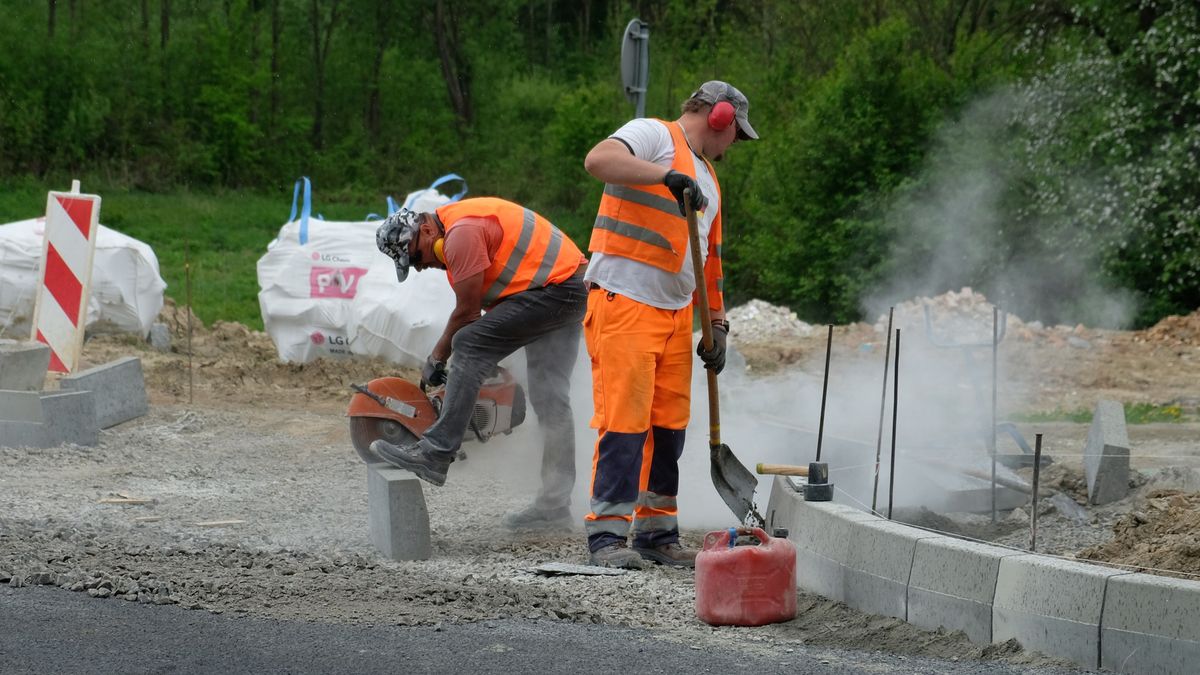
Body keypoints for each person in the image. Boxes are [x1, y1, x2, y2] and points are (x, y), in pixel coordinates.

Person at [580, 81, 759, 569]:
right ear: (719, 117)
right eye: (736, 133)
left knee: (668, 430)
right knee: (624, 425)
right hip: (625, 303)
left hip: (676, 316)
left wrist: (717, 324)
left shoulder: (710, 182)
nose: (734, 145)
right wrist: (665, 177)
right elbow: (598, 160)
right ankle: (606, 538)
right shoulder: (654, 136)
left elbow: (711, 262)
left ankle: (656, 534)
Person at [371, 196, 588, 531]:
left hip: (557, 290)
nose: (419, 266)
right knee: (550, 397)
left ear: (426, 230)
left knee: (468, 344)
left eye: (415, 256)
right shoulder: (458, 228)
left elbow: (468, 314)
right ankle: (554, 506)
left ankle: (436, 453)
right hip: (567, 288)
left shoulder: (462, 234)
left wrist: (437, 356)